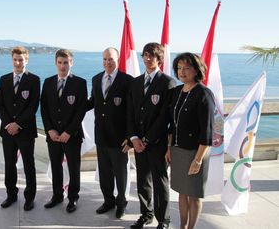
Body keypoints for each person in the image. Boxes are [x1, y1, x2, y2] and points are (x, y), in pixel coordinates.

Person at [128, 42, 176, 229]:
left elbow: (165, 116)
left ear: (159, 59)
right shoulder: (136, 82)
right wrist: (134, 138)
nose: (148, 59)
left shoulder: (167, 82)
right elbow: (130, 112)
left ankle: (163, 220)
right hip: (138, 143)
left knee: (160, 182)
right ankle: (146, 215)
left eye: (152, 56)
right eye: (146, 55)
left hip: (157, 143)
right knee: (142, 181)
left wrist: (146, 139)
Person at [165, 52, 215, 229]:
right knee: (181, 192)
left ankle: (191, 228)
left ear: (196, 70)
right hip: (177, 150)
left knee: (194, 195)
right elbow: (172, 125)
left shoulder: (204, 94)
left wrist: (198, 160)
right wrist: (169, 148)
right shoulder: (176, 92)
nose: (182, 72)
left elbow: (207, 132)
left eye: (186, 68)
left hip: (196, 152)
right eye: (179, 68)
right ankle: (182, 226)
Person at [87, 47, 133, 218]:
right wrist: (74, 106)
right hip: (101, 136)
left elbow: (131, 112)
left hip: (120, 139)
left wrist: (130, 137)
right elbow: (93, 102)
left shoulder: (128, 81)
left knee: (121, 175)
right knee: (105, 174)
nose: (107, 62)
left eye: (111, 59)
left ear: (118, 60)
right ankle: (108, 201)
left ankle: (121, 202)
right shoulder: (96, 78)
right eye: (105, 59)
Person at [41, 49, 87, 213]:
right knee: (55, 166)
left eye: (66, 62)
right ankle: (57, 195)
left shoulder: (80, 83)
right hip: (53, 136)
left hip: (72, 136)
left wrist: (69, 131)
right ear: (55, 63)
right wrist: (50, 130)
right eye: (60, 62)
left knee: (74, 169)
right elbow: (44, 109)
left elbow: (80, 111)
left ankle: (73, 198)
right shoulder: (47, 82)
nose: (62, 66)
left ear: (71, 63)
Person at [0, 46, 40, 211]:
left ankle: (29, 198)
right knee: (9, 164)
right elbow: (0, 103)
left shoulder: (34, 80)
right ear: (12, 60)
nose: (17, 62)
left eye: (21, 59)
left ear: (26, 60)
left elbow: (33, 106)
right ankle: (11, 195)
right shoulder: (3, 79)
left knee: (29, 165)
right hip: (8, 131)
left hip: (25, 130)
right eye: (15, 59)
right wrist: (8, 124)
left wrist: (18, 124)